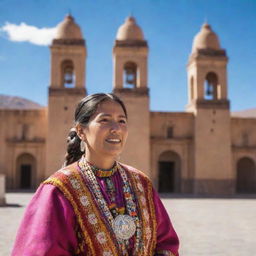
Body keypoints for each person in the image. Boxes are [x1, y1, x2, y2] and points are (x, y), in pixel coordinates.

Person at [12, 93, 179, 256]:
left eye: (122, 121)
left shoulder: (141, 183)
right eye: (104, 120)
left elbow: (166, 242)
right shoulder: (59, 190)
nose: (116, 129)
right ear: (81, 131)